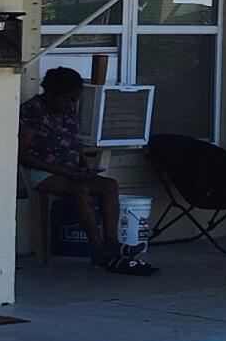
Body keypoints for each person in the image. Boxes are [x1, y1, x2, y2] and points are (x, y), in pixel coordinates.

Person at [20, 66, 156, 274]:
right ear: (51, 94)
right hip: (42, 171)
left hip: (71, 170)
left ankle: (112, 243)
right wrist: (65, 172)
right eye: (67, 99)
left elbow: (75, 144)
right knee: (79, 189)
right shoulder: (32, 111)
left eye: (74, 99)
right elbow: (23, 154)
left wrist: (85, 167)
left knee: (109, 186)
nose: (70, 104)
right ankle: (97, 247)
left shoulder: (68, 111)